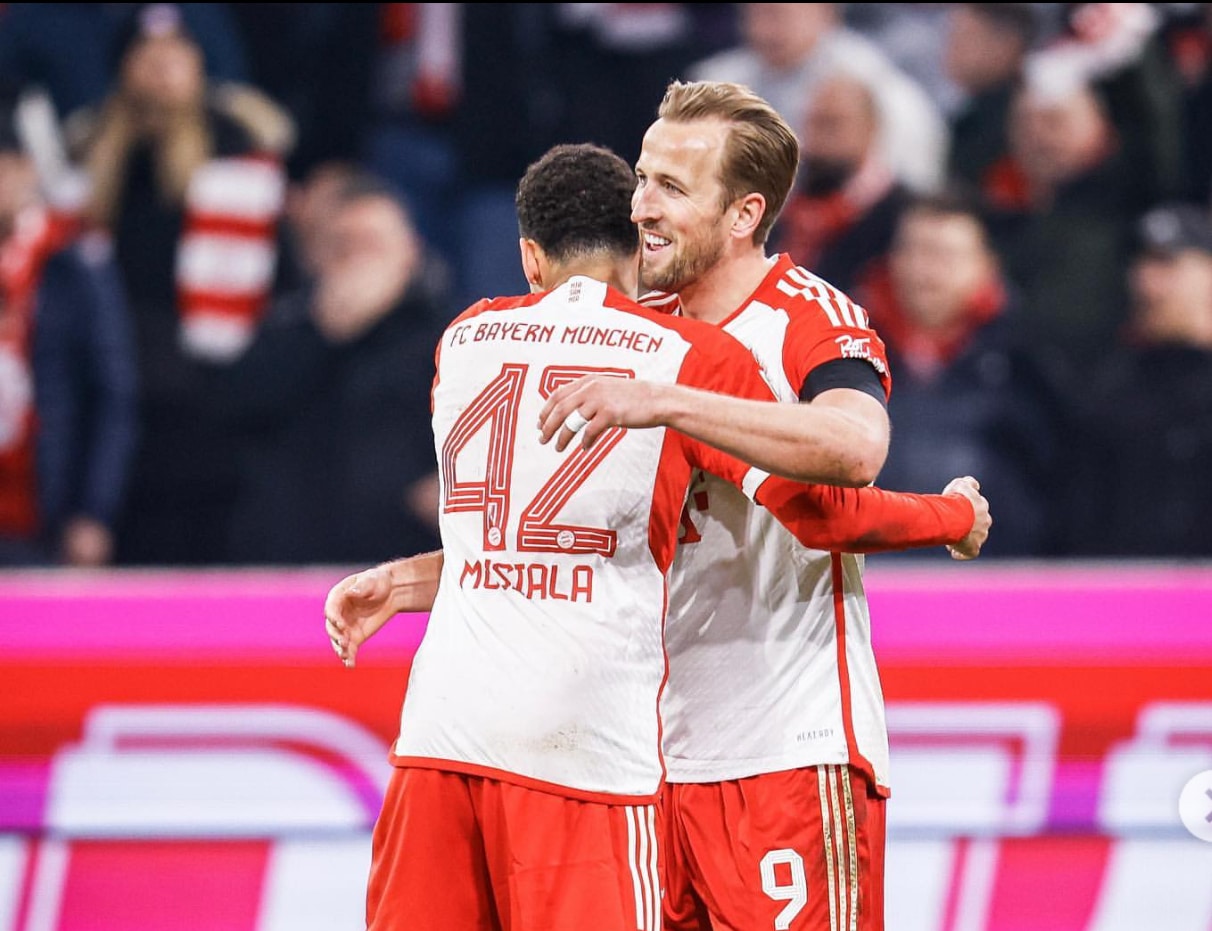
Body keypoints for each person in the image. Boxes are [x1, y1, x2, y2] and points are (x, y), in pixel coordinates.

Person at [324, 141, 990, 931]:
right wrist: (953, 515)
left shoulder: (465, 339)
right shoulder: (686, 358)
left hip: (438, 743)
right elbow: (822, 514)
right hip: (583, 757)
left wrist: (404, 581)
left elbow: (540, 533)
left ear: (530, 256)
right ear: (641, 242)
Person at [534, 79, 936, 931]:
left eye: (673, 188)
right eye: (644, 178)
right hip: (643, 762)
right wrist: (413, 581)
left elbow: (856, 446)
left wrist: (671, 400)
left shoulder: (807, 317)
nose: (641, 206)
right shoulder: (630, 326)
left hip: (784, 752)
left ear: (745, 213)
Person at [209, 173, 450, 565]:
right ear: (315, 258)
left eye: (372, 245)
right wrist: (321, 333)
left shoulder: (453, 336)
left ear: (410, 250)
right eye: (344, 248)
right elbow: (233, 410)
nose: (360, 263)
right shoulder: (287, 325)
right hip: (293, 558)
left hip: (406, 561)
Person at [856, 190, 1065, 558]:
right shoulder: (848, 349)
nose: (926, 270)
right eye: (914, 250)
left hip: (995, 578)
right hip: (869, 574)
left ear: (986, 265)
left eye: (945, 255)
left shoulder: (1027, 362)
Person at [0, 95, 138, 566]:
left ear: (27, 170)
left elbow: (112, 394)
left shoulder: (74, 260)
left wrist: (93, 511)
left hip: (42, 516)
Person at [1062, 203, 1212, 556]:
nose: (1146, 282)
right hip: (1131, 584)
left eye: (1166, 264)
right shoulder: (1108, 388)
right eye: (1140, 265)